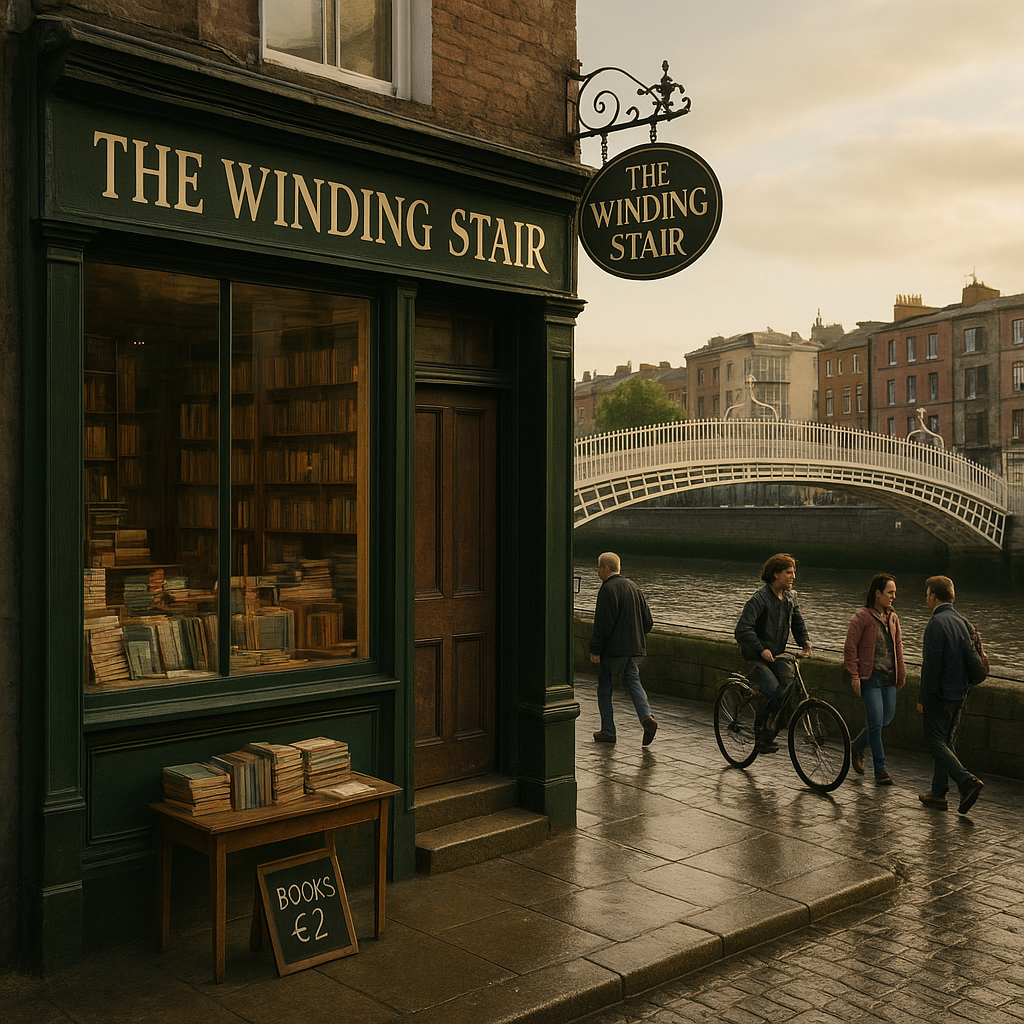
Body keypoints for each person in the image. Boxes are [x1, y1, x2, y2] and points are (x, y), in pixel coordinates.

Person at [917, 575, 985, 814]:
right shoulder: (962, 621)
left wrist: (924, 698)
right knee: (946, 742)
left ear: (934, 596)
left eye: (927, 593)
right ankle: (938, 792)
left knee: (934, 741)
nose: (926, 597)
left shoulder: (936, 623)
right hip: (959, 694)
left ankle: (967, 782)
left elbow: (931, 666)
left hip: (941, 695)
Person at [734, 553, 813, 753]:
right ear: (776, 574)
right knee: (773, 690)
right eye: (789, 572)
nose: (793, 576)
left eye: (794, 572)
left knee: (788, 687)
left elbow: (797, 622)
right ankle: (761, 734)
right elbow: (743, 629)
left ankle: (771, 731)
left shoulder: (790, 597)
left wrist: (805, 642)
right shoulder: (759, 599)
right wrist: (761, 649)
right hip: (755, 657)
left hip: (776, 655)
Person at [588, 552, 657, 745]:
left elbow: (603, 624)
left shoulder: (607, 589)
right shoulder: (634, 587)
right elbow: (648, 622)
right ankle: (647, 718)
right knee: (633, 681)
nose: (597, 571)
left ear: (606, 568)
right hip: (634, 648)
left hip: (613, 650)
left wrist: (595, 649)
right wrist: (635, 637)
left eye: (598, 567)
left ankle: (608, 731)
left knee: (605, 686)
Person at [844, 574, 906, 786]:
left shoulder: (893, 618)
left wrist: (901, 672)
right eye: (890, 592)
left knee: (885, 719)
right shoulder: (861, 618)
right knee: (876, 722)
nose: (893, 596)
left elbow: (898, 646)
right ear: (877, 593)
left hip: (889, 677)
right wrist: (854, 675)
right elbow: (850, 647)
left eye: (894, 592)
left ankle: (856, 745)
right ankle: (880, 769)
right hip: (870, 677)